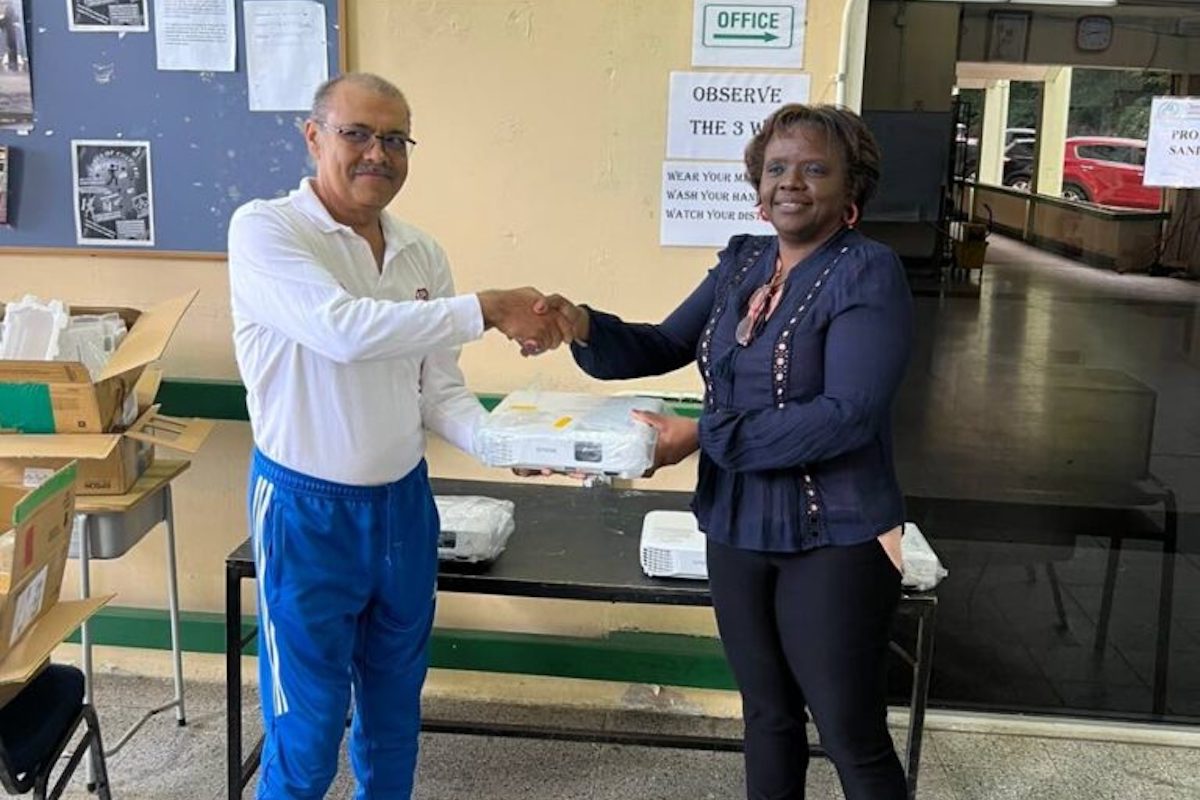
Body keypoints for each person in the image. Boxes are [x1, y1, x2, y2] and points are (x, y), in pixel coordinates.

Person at [540, 103, 913, 799]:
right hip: (737, 523)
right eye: (776, 167)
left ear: (850, 187)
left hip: (836, 534)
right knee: (767, 716)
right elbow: (658, 345)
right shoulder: (744, 261)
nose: (790, 182)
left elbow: (847, 416)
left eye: (813, 168)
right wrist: (583, 324)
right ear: (756, 180)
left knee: (849, 734)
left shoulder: (868, 272)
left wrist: (700, 437)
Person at [226, 72, 570, 799]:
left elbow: (436, 390)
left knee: (392, 717)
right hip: (305, 514)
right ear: (313, 136)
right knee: (308, 731)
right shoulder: (266, 229)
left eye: (394, 139)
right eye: (358, 133)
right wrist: (488, 307)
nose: (377, 153)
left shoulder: (420, 252)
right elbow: (341, 331)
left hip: (403, 510)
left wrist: (506, 446)